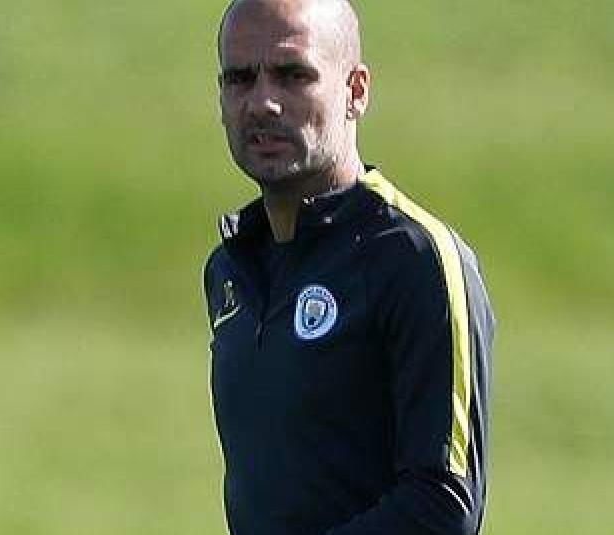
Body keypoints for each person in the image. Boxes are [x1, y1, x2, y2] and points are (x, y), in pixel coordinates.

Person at [202, 0, 495, 533]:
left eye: (293, 75)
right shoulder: (230, 269)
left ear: (355, 91)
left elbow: (445, 504)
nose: (263, 102)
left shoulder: (415, 258)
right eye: (240, 78)